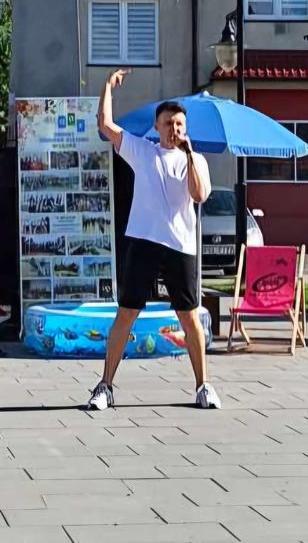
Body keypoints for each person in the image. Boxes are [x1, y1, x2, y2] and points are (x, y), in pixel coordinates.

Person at [87, 68, 220, 410]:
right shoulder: (141, 150)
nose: (173, 130)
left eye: (179, 125)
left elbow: (200, 194)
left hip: (180, 246)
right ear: (157, 127)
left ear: (184, 129)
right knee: (126, 313)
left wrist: (190, 155)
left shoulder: (197, 160)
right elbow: (105, 125)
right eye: (167, 124)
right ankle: (105, 386)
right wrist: (107, 88)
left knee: (188, 316)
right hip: (143, 240)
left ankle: (203, 386)